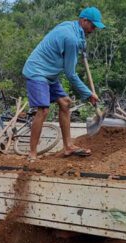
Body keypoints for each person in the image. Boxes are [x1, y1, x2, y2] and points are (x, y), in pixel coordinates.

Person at [22, 7, 104, 161]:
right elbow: (70, 74)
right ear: (84, 21)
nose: (93, 30)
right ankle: (32, 153)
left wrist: (82, 43)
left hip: (50, 73)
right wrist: (88, 93)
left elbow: (74, 41)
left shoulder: (71, 27)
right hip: (37, 71)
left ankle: (68, 146)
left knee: (65, 103)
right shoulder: (71, 38)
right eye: (93, 26)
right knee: (43, 110)